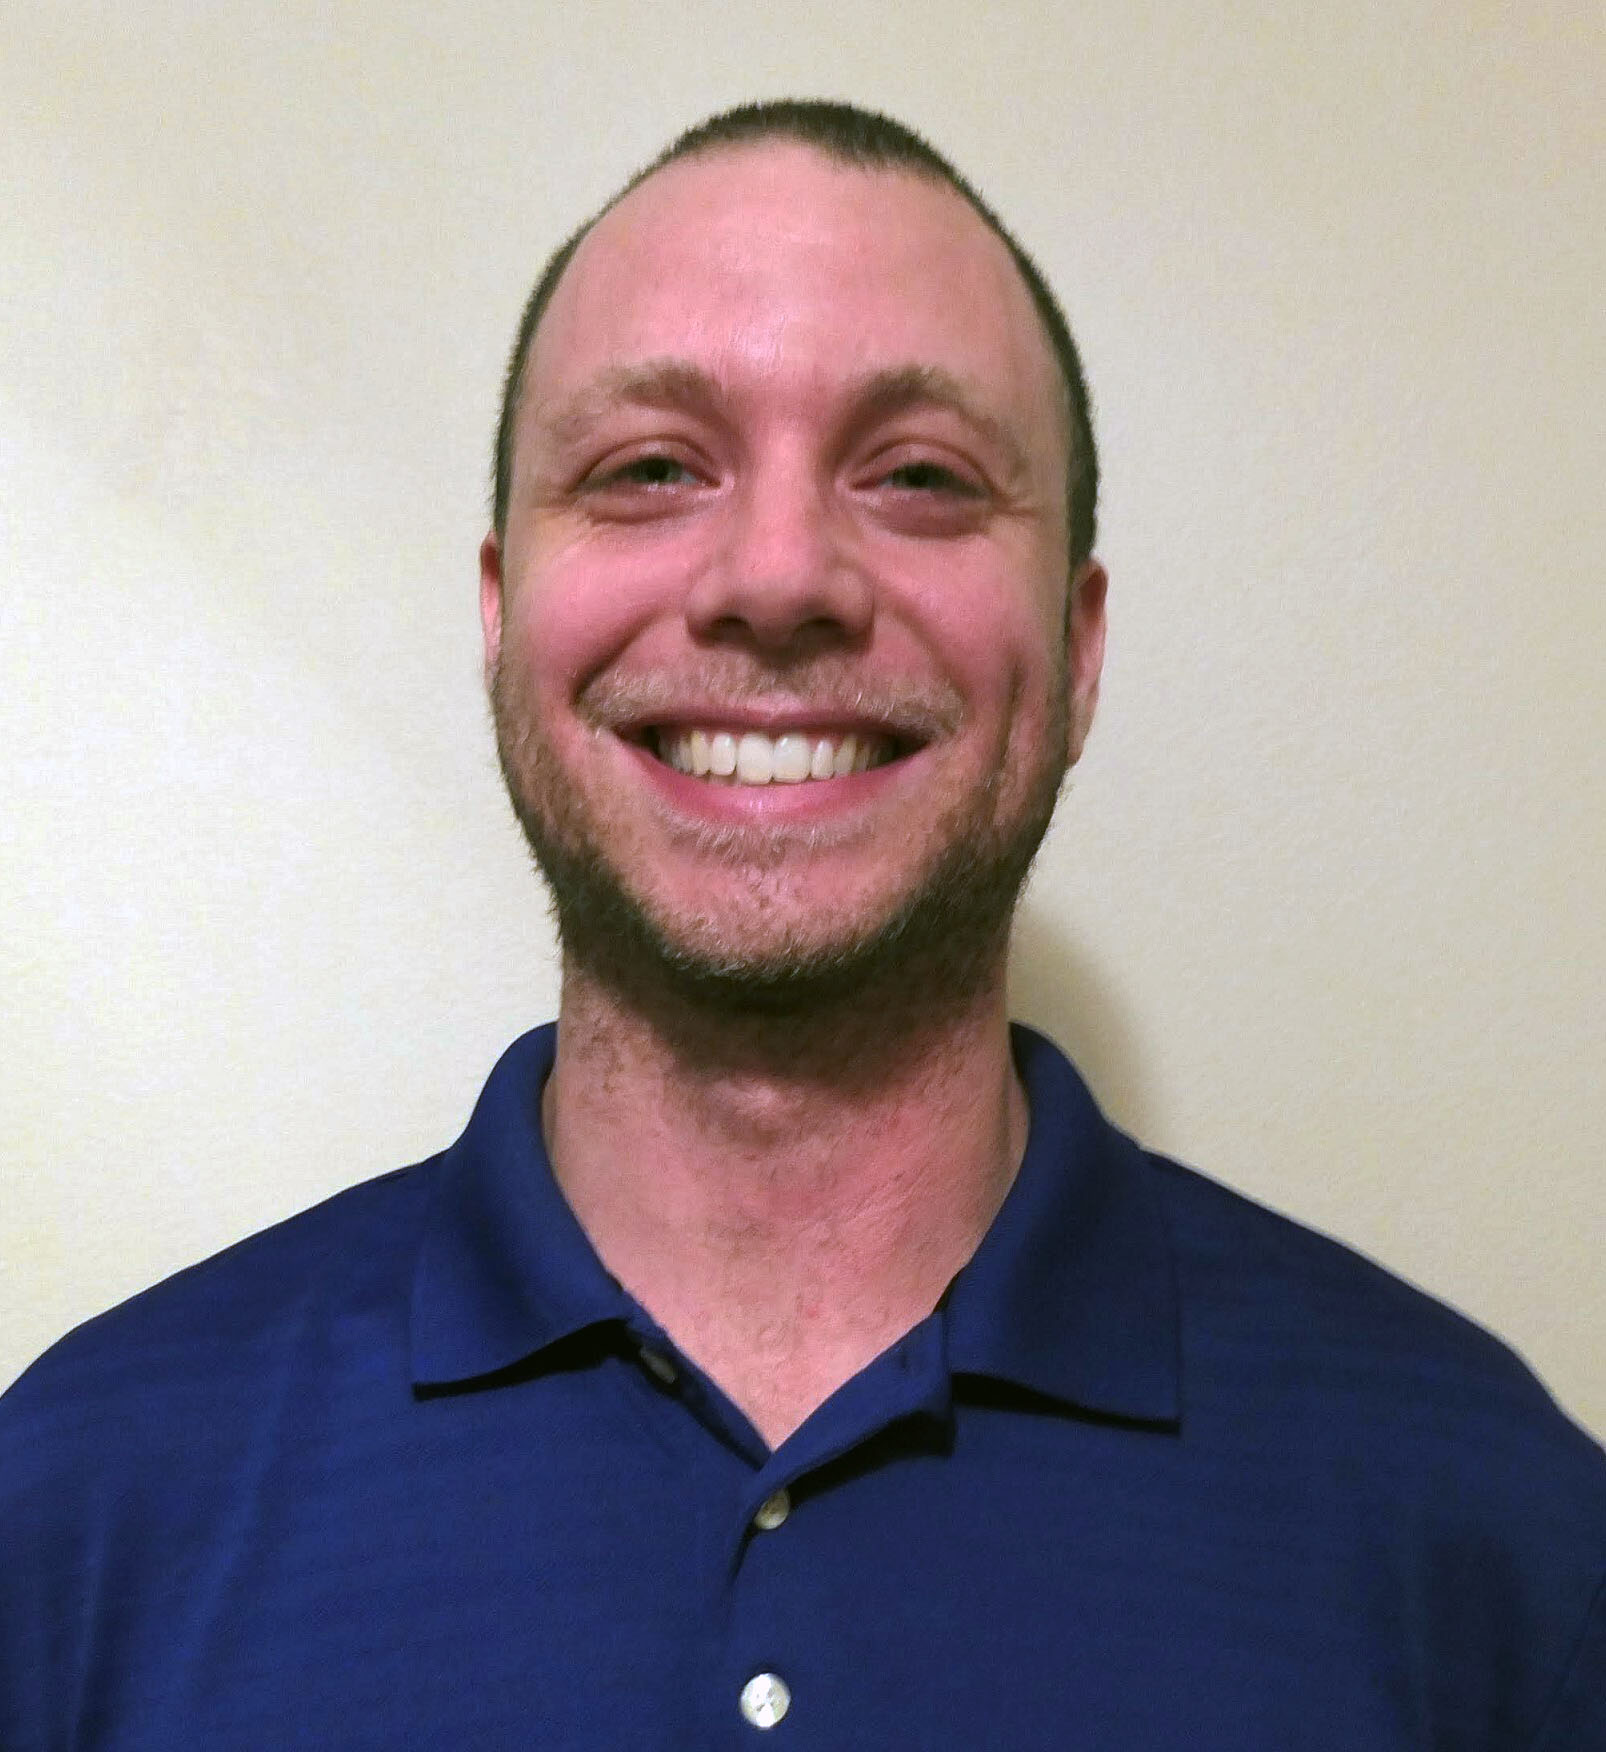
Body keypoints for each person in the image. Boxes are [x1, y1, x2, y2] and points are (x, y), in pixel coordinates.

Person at [2, 99, 1602, 1749]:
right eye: (646, 470)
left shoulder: (1490, 1544)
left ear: (1078, 644)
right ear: (499, 616)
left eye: (917, 476)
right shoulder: (75, 1515)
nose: (777, 575)